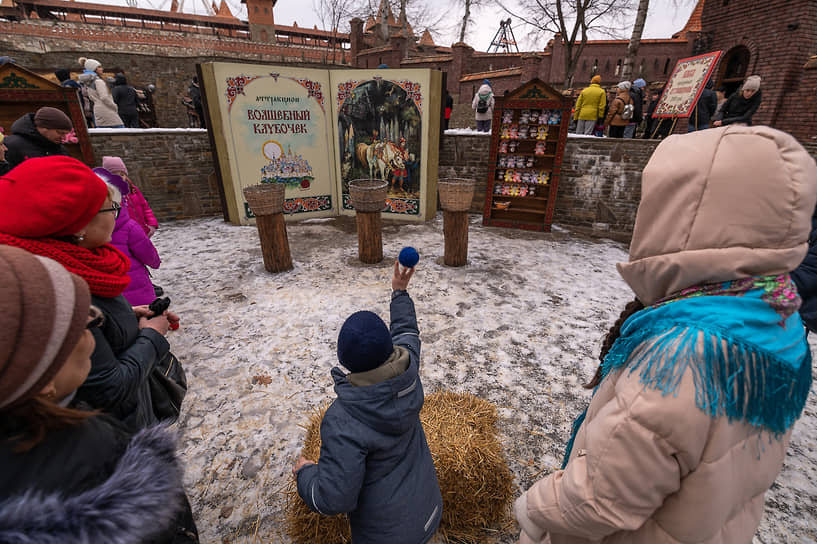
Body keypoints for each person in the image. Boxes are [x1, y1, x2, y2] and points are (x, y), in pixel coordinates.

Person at [514, 125, 817, 544]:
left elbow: (599, 500)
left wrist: (534, 508)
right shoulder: (776, 320)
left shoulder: (684, 357)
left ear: (687, 214)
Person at [0, 245, 198, 543]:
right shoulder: (92, 462)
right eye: (84, 324)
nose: (96, 336)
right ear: (39, 375)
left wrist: (127, 319)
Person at [0, 156, 178, 432]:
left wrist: (129, 316)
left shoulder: (83, 263)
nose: (117, 216)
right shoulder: (56, 288)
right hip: (111, 432)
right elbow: (108, 390)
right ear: (80, 223)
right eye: (112, 209)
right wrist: (152, 336)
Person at [293, 261, 443, 544]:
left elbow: (333, 498)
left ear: (345, 362)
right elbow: (407, 331)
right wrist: (400, 293)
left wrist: (305, 475)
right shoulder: (407, 370)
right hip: (429, 513)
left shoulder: (344, 420)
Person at [96, 168, 161, 306]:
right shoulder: (129, 226)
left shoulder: (87, 232)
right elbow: (146, 251)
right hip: (138, 289)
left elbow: (144, 206)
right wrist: (155, 262)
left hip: (112, 297)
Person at [103, 155, 159, 237]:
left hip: (143, 231)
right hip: (125, 235)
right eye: (115, 175)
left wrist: (151, 224)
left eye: (122, 174)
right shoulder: (109, 194)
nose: (119, 178)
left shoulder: (133, 189)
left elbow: (145, 207)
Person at [3, 107, 72, 169]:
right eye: (60, 133)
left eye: (65, 134)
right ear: (44, 128)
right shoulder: (10, 146)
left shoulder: (62, 150)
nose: (64, 137)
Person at [78, 57, 125, 128]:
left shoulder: (88, 83)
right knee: (120, 131)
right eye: (99, 67)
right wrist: (114, 106)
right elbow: (104, 97)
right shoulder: (98, 81)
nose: (102, 68)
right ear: (93, 69)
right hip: (106, 110)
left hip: (97, 109)